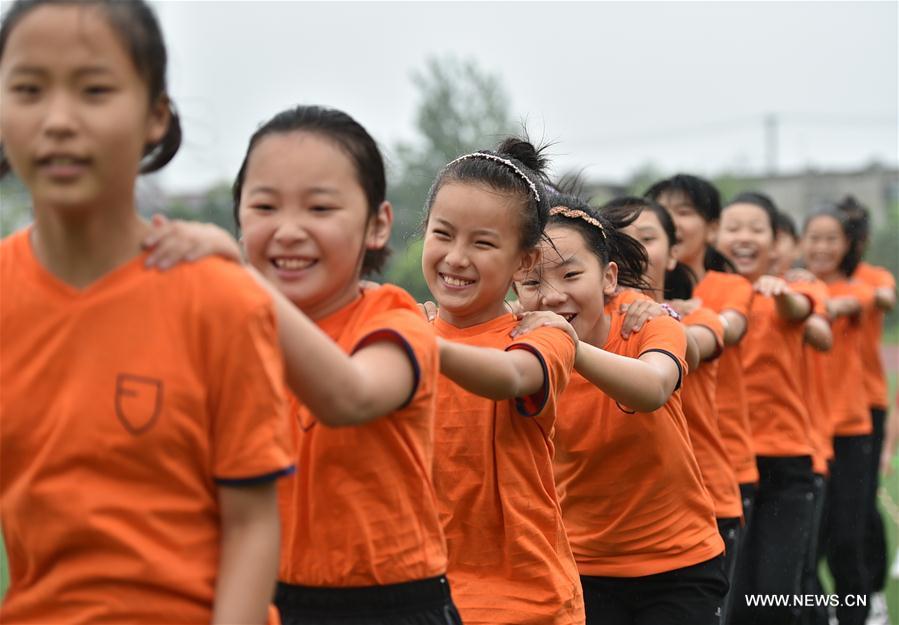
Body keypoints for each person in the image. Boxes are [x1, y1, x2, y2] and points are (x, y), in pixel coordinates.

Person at [0, 1, 294, 623]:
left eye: (94, 89)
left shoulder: (219, 300)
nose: (57, 120)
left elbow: (250, 528)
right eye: (28, 89)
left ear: (155, 115)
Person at [144, 105, 462, 625]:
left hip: (390, 604)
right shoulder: (226, 332)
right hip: (261, 594)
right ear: (240, 217)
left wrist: (238, 281)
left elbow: (349, 397)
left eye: (319, 209)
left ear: (378, 225)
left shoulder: (394, 320)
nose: (288, 231)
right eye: (265, 206)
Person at [513, 193, 727, 625]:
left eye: (570, 274)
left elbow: (653, 387)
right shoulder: (518, 349)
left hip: (680, 566)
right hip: (579, 570)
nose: (552, 297)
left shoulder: (649, 324)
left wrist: (570, 350)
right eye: (533, 283)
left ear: (609, 277)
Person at [419, 139, 584, 625]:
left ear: (525, 262)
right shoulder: (411, 330)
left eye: (483, 243)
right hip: (424, 598)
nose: (456, 257)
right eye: (443, 234)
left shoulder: (543, 337)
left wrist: (416, 345)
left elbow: (510, 377)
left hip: (526, 603)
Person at [717, 192, 819, 625]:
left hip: (783, 461)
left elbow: (804, 313)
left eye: (756, 229)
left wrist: (781, 294)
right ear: (714, 235)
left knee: (777, 596)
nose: (744, 237)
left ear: (775, 241)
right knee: (734, 599)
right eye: (733, 227)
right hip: (725, 467)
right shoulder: (706, 293)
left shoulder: (793, 290)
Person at [647, 176, 759, 555]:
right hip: (654, 479)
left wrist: (677, 318)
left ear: (712, 228)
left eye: (684, 212)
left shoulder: (728, 289)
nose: (674, 222)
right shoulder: (624, 301)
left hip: (719, 462)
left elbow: (727, 329)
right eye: (665, 212)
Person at [802, 206, 877, 625]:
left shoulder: (857, 289)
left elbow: (851, 302)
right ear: (800, 243)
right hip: (806, 433)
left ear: (846, 246)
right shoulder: (791, 288)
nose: (822, 247)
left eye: (832, 239)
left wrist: (811, 300)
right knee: (807, 549)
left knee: (847, 541)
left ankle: (859, 616)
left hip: (850, 430)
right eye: (814, 237)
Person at [836, 196, 896, 622]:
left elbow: (887, 298)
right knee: (840, 509)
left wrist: (859, 296)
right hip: (821, 407)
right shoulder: (813, 281)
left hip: (866, 402)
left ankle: (869, 590)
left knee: (860, 503)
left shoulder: (872, 278)